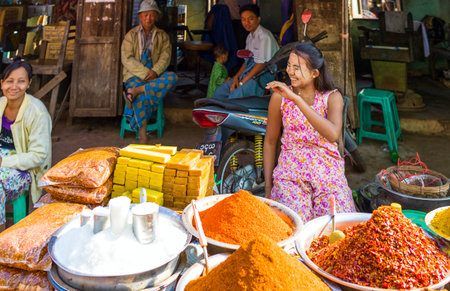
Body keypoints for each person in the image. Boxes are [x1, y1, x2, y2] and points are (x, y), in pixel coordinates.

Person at [263, 43, 356, 223]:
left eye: (297, 68)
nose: (290, 71)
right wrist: (269, 187)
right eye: (289, 65)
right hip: (290, 173)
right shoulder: (279, 97)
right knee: (293, 225)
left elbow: (332, 134)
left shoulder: (333, 98)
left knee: (336, 224)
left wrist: (297, 100)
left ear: (314, 73)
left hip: (328, 173)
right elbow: (270, 141)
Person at [0, 58, 52, 230]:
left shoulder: (37, 112)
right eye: (9, 81)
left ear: (29, 83)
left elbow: (38, 156)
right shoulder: (0, 104)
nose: (14, 86)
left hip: (26, 168)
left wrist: (3, 162)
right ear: (2, 83)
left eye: (21, 81)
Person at [121, 0, 178, 144]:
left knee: (172, 77)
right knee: (142, 97)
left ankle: (136, 91)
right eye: (145, 15)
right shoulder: (130, 35)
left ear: (156, 17)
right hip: (135, 74)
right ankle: (143, 135)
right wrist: (146, 72)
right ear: (140, 16)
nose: (148, 18)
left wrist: (156, 71)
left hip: (154, 75)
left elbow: (166, 56)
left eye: (152, 15)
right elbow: (126, 58)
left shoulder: (162, 36)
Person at [212, 4, 279, 100]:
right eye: (243, 19)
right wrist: (236, 77)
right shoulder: (249, 37)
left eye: (250, 19)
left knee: (236, 95)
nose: (246, 22)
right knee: (220, 92)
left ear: (258, 19)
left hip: (264, 74)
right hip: (250, 72)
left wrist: (242, 82)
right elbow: (246, 62)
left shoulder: (264, 36)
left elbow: (260, 65)